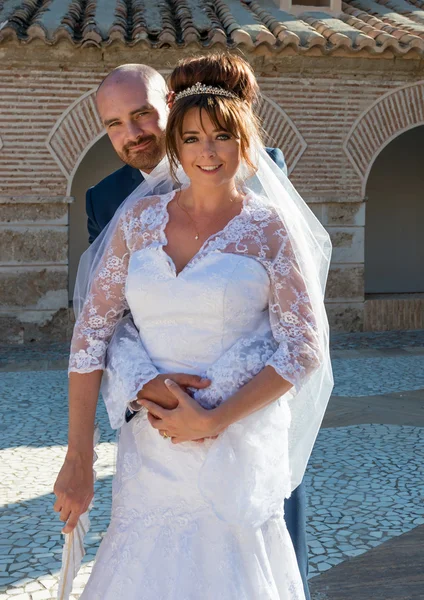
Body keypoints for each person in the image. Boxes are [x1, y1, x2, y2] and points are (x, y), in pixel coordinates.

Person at [54, 55, 332, 599]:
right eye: (113, 124)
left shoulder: (267, 217)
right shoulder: (125, 213)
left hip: (240, 432)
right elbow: (98, 329)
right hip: (152, 443)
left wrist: (214, 417)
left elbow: (301, 339)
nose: (207, 150)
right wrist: (131, 396)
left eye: (221, 136)